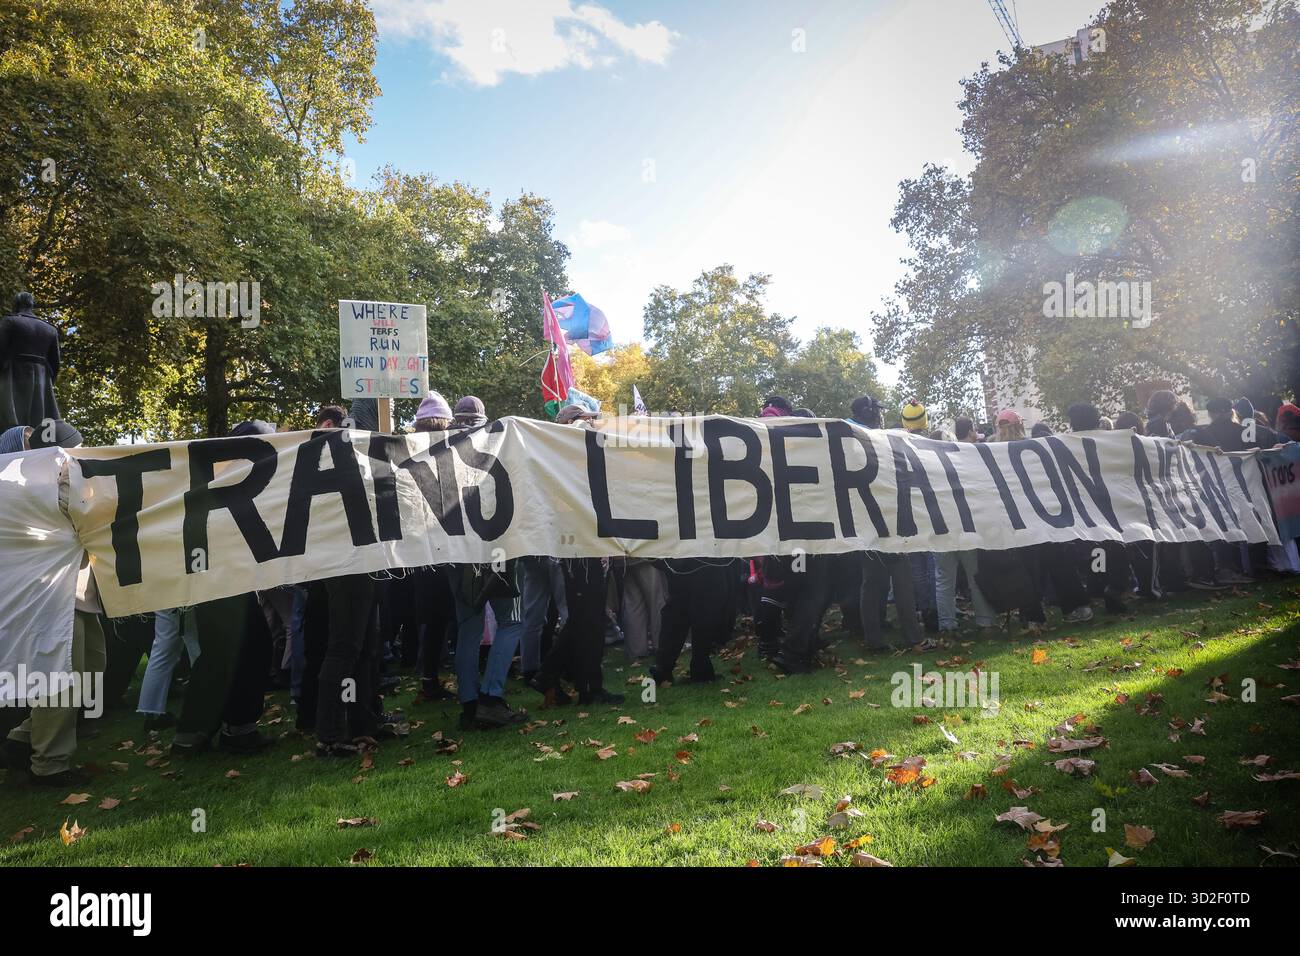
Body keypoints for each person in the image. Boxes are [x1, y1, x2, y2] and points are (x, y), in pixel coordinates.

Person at [1, 418, 104, 786]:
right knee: (62, 677)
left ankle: (25, 737)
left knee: (92, 669)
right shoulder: (18, 487)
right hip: (49, 595)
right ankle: (51, 765)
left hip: (75, 591)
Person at [531, 403, 624, 706]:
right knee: (587, 620)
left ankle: (579, 683)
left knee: (586, 620)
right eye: (587, 421)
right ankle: (568, 681)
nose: (593, 425)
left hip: (589, 549)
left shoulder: (576, 457)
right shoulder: (566, 458)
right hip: (582, 552)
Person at [0, 292, 61, 433]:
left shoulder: (9, 321)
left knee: (9, 419)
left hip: (12, 377)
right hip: (42, 380)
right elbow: (55, 364)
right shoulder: (50, 329)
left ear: (15, 304)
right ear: (31, 305)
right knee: (41, 423)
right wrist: (46, 383)